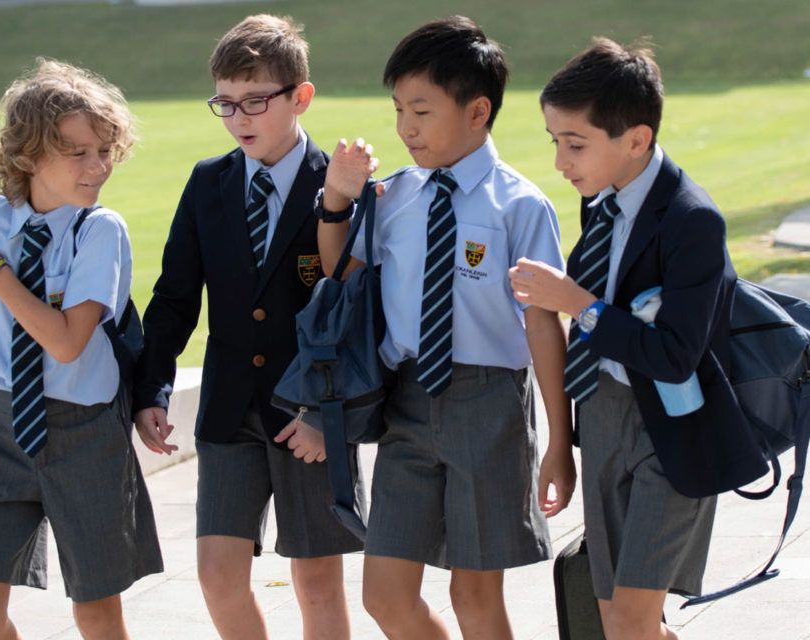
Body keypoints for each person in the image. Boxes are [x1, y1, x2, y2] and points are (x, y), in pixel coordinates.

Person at [317, 16, 576, 639]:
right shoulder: (393, 197)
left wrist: (560, 441)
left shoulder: (519, 205)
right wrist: (337, 201)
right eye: (398, 110)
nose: (405, 127)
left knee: (474, 595)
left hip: (490, 406)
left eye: (422, 111)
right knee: (384, 594)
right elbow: (338, 271)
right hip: (406, 404)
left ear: (478, 111)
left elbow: (544, 327)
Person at [509, 38, 768, 640]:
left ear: (636, 139)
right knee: (622, 623)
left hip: (674, 431)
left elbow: (675, 356)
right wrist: (562, 443)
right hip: (602, 420)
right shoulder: (599, 203)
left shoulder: (692, 220)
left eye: (575, 144)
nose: (560, 162)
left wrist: (577, 303)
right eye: (554, 141)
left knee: (629, 621)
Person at [131, 14, 364, 640]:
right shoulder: (208, 182)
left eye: (255, 101)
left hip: (311, 415)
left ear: (301, 96)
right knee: (217, 575)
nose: (239, 119)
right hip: (229, 411)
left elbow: (358, 311)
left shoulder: (340, 184)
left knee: (318, 585)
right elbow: (175, 297)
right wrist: (152, 389)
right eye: (225, 104)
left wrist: (329, 412)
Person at [0, 58, 163, 640]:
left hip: (86, 436)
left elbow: (66, 341)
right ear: (28, 155)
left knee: (96, 613)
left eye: (104, 150)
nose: (98, 166)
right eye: (77, 153)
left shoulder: (99, 230)